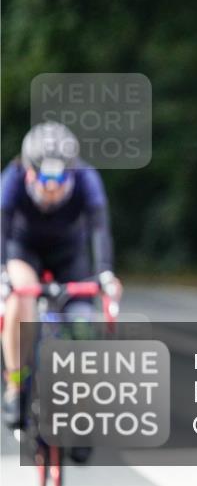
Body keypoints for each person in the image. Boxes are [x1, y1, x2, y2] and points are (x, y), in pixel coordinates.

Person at [1, 121, 121, 441]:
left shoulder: (87, 179)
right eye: (43, 177)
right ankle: (16, 384)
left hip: (70, 254)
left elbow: (98, 229)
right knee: (18, 301)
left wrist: (105, 273)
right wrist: (2, 276)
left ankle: (80, 413)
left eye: (59, 178)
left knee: (83, 325)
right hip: (23, 250)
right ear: (28, 171)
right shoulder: (11, 179)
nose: (51, 187)